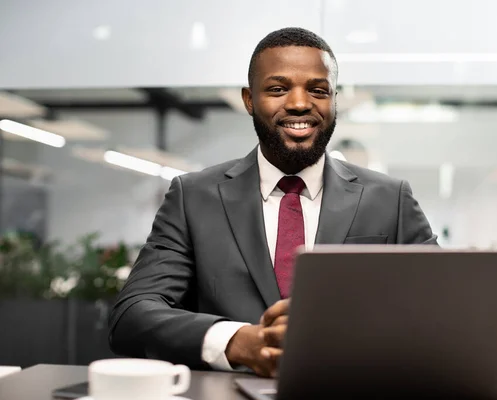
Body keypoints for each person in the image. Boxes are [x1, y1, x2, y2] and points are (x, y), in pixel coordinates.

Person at [108, 27, 437, 378]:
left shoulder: (390, 199)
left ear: (334, 99)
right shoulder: (194, 198)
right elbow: (132, 315)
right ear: (249, 100)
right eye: (278, 89)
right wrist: (237, 342)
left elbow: (445, 310)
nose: (299, 103)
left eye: (318, 90)